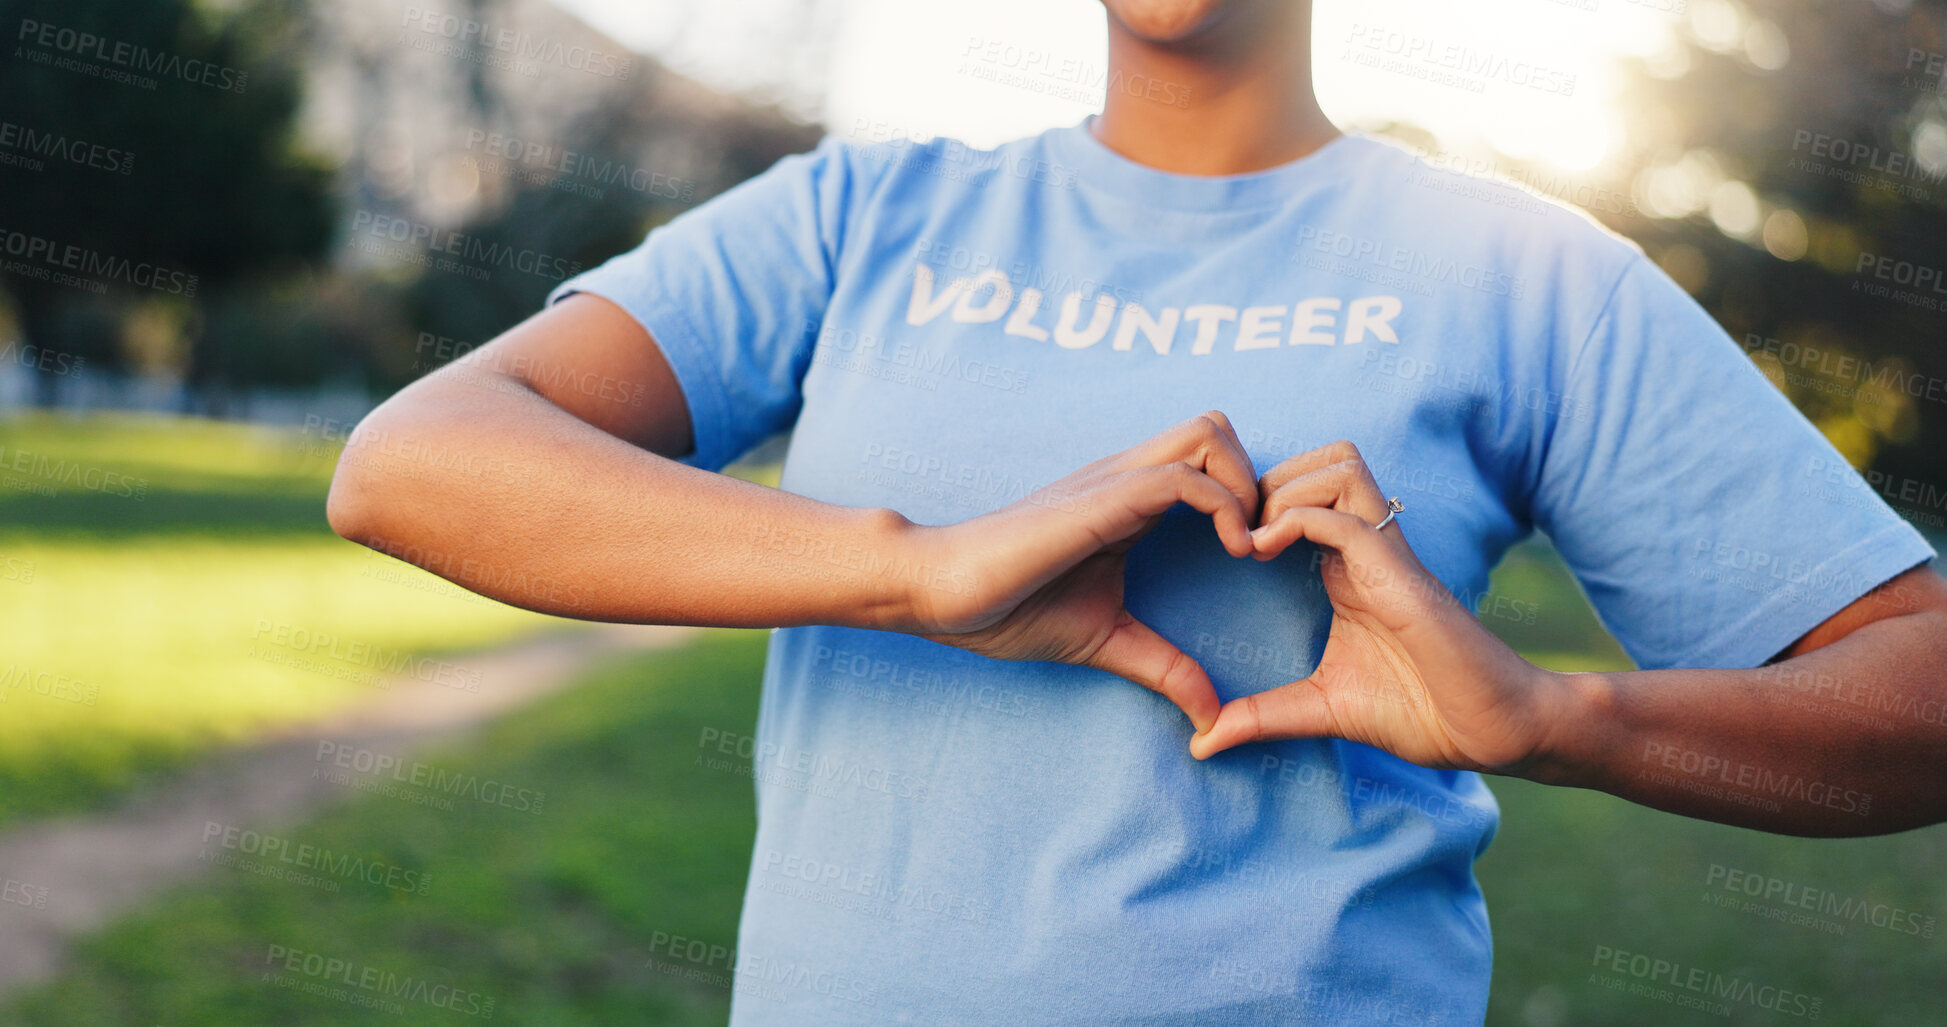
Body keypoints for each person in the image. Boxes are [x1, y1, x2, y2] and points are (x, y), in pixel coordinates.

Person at [325, 0, 1947, 1022]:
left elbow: (1918, 687)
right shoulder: (859, 216)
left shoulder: (1527, 277)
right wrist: (915, 570)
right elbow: (412, 464)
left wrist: (1550, 713)